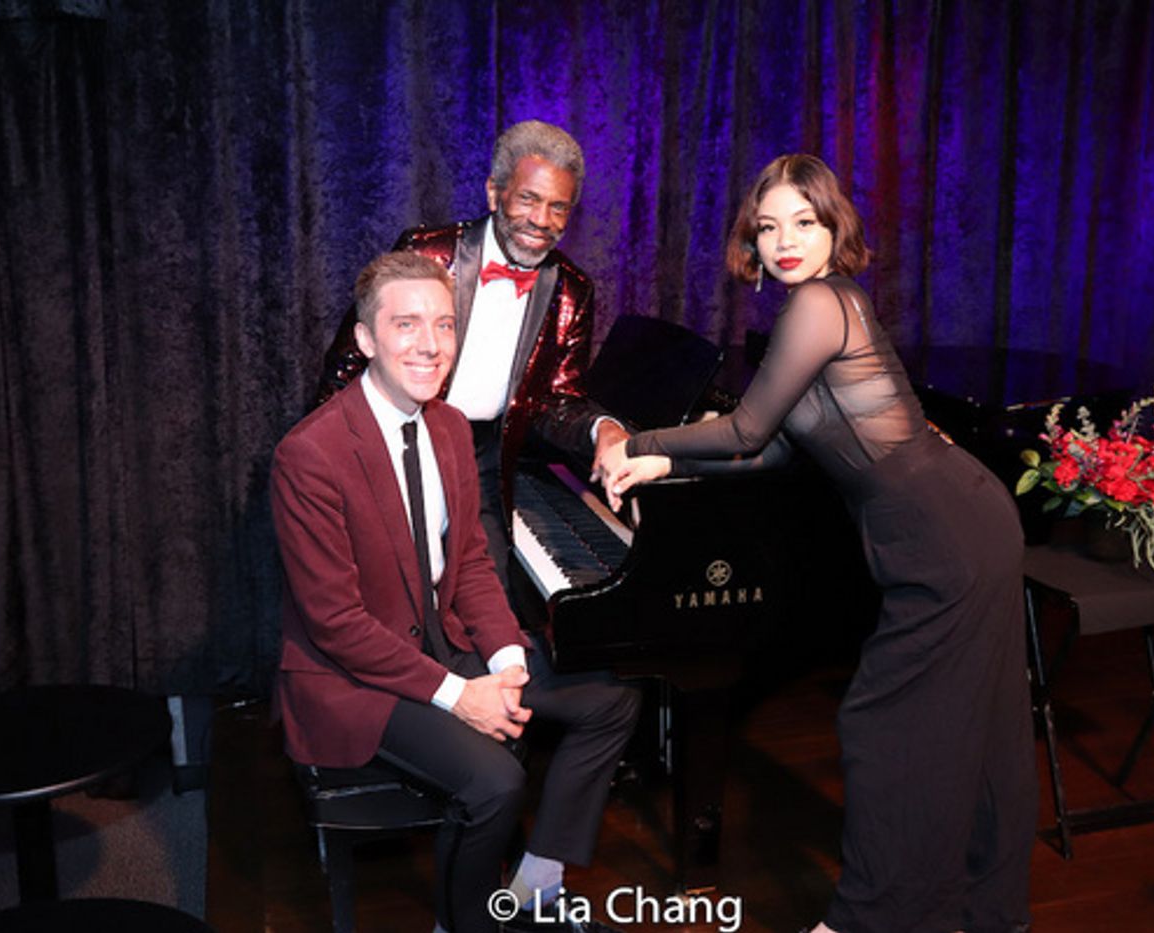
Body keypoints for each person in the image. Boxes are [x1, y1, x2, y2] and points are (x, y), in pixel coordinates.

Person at [600, 155, 1036, 933]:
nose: (784, 241)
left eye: (804, 221)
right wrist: (668, 459)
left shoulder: (819, 303)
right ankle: (985, 910)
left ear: (836, 228)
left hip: (946, 537)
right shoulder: (820, 309)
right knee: (983, 725)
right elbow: (781, 448)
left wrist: (637, 438)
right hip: (947, 526)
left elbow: (746, 427)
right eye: (768, 227)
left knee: (884, 727)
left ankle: (866, 918)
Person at [274, 251, 639, 933]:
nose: (431, 344)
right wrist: (460, 695)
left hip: (445, 643)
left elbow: (469, 561)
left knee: (610, 700)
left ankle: (535, 881)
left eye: (444, 324)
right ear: (365, 339)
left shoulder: (447, 427)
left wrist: (505, 662)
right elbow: (335, 623)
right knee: (497, 783)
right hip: (353, 677)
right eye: (406, 324)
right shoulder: (310, 454)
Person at [317, 120, 628, 594]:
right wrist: (331, 469)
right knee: (386, 592)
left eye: (558, 206)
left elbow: (557, 400)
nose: (542, 220)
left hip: (483, 454)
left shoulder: (572, 290)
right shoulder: (427, 252)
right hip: (397, 439)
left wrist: (602, 428)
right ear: (494, 193)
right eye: (528, 198)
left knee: (487, 595)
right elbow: (348, 365)